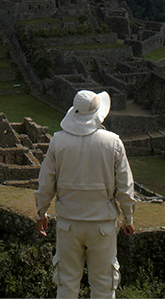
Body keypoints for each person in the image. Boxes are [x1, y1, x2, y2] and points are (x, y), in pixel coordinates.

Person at [35, 90, 135, 299]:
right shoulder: (112, 142)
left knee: (66, 284)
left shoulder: (58, 142)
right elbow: (125, 187)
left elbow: (46, 182)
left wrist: (41, 213)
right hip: (102, 225)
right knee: (103, 286)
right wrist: (128, 218)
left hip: (68, 224)